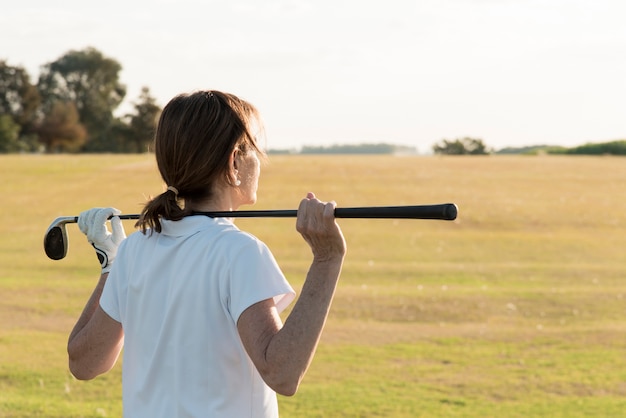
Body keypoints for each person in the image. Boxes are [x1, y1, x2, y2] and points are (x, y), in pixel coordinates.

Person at [67, 90, 347, 417]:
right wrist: (327, 260)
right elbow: (282, 374)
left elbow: (84, 364)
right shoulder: (239, 252)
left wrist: (110, 266)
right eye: (257, 148)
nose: (262, 159)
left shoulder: (133, 249)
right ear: (235, 162)